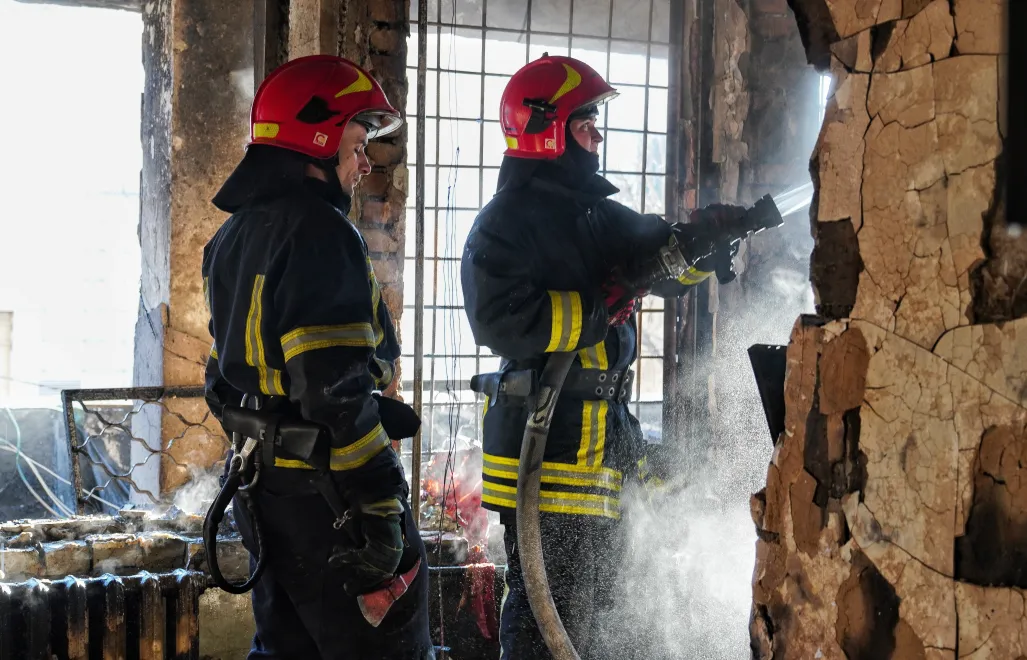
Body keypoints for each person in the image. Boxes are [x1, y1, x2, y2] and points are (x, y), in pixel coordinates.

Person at [460, 54, 745, 659]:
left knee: (593, 626)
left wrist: (703, 239)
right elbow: (501, 319)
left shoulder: (591, 214)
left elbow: (654, 260)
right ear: (547, 126)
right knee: (546, 623)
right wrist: (597, 307)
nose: (597, 134)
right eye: (586, 121)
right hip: (549, 463)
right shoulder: (504, 225)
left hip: (601, 449)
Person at [202, 55, 433, 660]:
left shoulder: (233, 235)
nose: (363, 164)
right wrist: (380, 499)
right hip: (332, 501)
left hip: (265, 491)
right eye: (357, 144)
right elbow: (334, 391)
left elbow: (220, 376)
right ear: (319, 139)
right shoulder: (322, 233)